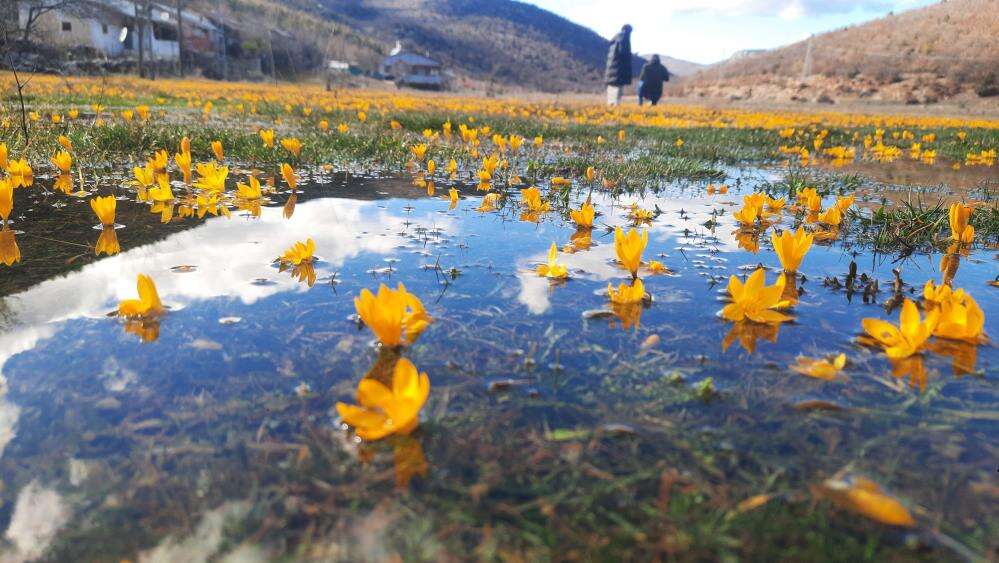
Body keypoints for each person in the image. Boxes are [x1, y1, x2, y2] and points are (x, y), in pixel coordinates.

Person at [604, 24, 633, 107]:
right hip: (619, 69)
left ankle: (610, 107)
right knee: (617, 90)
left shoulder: (614, 40)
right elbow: (623, 52)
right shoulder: (624, 38)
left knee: (611, 89)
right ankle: (616, 109)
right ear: (628, 30)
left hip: (611, 70)